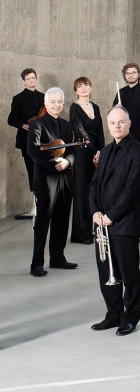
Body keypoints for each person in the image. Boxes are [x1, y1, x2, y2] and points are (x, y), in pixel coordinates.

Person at [89, 106, 140, 336]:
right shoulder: (104, 151)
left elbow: (131, 189)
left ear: (129, 123)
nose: (116, 126)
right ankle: (113, 314)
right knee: (106, 271)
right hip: (102, 222)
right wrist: (95, 212)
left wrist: (111, 216)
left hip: (124, 223)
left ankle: (131, 316)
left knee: (128, 272)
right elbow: (93, 184)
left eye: (121, 122)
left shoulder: (139, 151)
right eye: (112, 123)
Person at [27, 87, 77, 277]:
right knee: (42, 222)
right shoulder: (36, 125)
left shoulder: (67, 125)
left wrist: (67, 161)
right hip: (46, 180)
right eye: (53, 102)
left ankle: (57, 257)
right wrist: (53, 163)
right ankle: (36, 263)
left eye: (59, 102)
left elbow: (72, 151)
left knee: (62, 220)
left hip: (64, 178)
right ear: (46, 104)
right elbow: (33, 150)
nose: (56, 105)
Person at [69, 77, 104, 244]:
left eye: (86, 85)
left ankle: (92, 228)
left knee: (94, 192)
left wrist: (102, 152)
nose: (83, 88)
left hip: (95, 154)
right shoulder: (74, 108)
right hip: (82, 155)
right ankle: (81, 233)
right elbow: (79, 132)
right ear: (76, 90)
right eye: (80, 86)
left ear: (91, 88)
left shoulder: (95, 107)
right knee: (82, 193)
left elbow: (100, 131)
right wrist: (94, 152)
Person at [8, 68, 44, 219]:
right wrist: (23, 125)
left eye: (33, 78)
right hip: (26, 140)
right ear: (24, 81)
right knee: (32, 172)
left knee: (42, 171)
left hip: (43, 140)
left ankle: (43, 205)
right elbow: (11, 119)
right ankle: (34, 206)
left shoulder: (44, 97)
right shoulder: (18, 98)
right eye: (28, 79)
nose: (31, 80)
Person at [113, 63, 140, 146]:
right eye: (127, 73)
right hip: (123, 134)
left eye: (133, 72)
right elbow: (113, 115)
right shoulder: (120, 92)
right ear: (124, 75)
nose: (130, 75)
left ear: (138, 74)